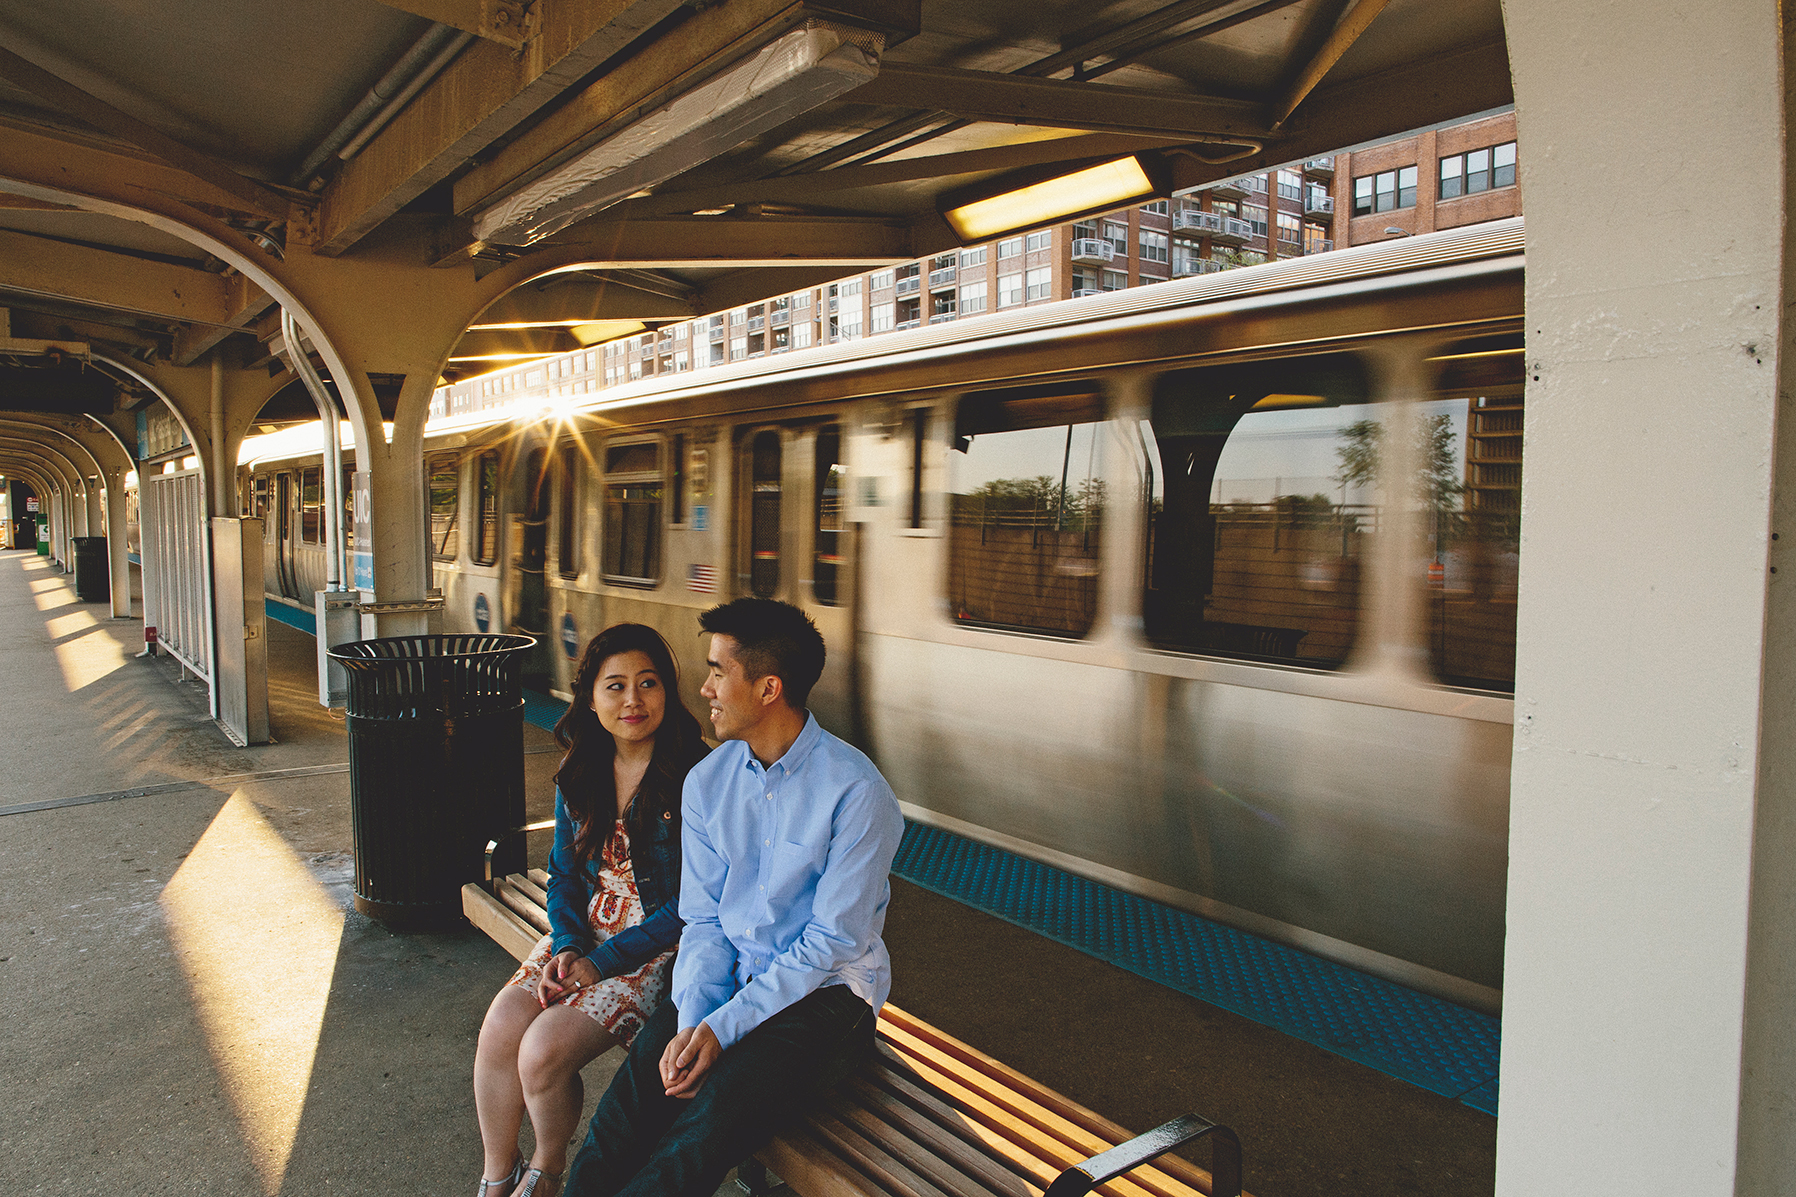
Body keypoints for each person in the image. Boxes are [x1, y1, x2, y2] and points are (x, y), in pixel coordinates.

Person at [562, 598, 904, 1197]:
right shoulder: (708, 782)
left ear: (769, 688)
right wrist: (695, 1022)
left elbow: (832, 942)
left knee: (702, 1129)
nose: (705, 688)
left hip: (828, 998)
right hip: (732, 980)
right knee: (623, 1114)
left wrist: (723, 1030)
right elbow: (705, 921)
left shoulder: (857, 792)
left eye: (719, 672)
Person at [473, 623, 708, 1197]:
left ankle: (546, 1172)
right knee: (501, 1027)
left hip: (658, 946)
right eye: (615, 686)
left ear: (668, 690)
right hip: (584, 936)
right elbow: (564, 875)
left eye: (648, 683)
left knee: (542, 1051)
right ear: (591, 698)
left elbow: (691, 904)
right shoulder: (580, 769)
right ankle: (497, 1177)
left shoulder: (696, 776)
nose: (633, 700)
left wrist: (599, 963)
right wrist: (571, 945)